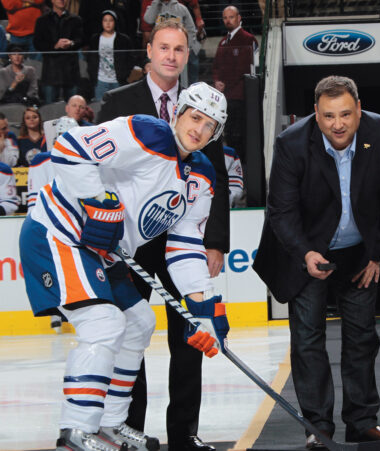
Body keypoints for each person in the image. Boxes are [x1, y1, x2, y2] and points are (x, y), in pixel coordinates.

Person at [20, 81, 229, 451]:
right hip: (59, 233)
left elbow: (183, 246)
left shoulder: (201, 176)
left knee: (139, 323)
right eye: (195, 117)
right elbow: (69, 148)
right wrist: (98, 200)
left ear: (216, 133)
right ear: (179, 113)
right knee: (104, 323)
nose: (199, 128)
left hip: (105, 252)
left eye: (210, 125)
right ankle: (77, 430)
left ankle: (110, 425)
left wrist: (205, 309)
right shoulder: (146, 132)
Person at [252, 75, 380, 449]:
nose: (337, 124)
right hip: (305, 250)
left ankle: (362, 421)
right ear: (315, 115)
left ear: (359, 110)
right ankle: (318, 428)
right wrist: (306, 254)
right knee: (307, 339)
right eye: (327, 116)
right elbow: (281, 211)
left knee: (362, 338)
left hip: (360, 254)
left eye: (345, 114)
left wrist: (378, 253)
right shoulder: (292, 142)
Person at [98, 21, 230, 451]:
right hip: (127, 244)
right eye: (164, 47)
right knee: (129, 333)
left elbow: (218, 182)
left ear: (187, 55)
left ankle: (184, 435)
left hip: (182, 240)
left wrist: (215, 242)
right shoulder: (120, 102)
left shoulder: (206, 107)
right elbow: (99, 169)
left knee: (189, 336)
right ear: (150, 50)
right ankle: (127, 429)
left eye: (179, 49)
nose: (171, 56)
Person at [26, 115, 78, 334]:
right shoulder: (42, 160)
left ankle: (71, 308)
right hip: (52, 222)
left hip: (71, 222)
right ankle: (58, 310)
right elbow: (34, 198)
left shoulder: (81, 159)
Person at [212, 5, 258, 163]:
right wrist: (217, 81)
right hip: (226, 97)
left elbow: (245, 68)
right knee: (229, 134)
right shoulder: (223, 41)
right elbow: (216, 65)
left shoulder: (248, 39)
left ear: (239, 18)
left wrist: (225, 83)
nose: (227, 20)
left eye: (231, 17)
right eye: (225, 17)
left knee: (239, 134)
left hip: (240, 96)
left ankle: (241, 167)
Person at [33, 0, 83, 104]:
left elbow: (81, 39)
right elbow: (37, 43)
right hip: (51, 71)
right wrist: (54, 46)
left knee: (74, 106)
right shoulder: (42, 20)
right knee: (50, 108)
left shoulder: (75, 19)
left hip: (71, 71)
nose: (62, 0)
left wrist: (71, 43)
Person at [143, 0, 200, 86]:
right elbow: (148, 19)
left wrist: (188, 46)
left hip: (179, 47)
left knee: (190, 69)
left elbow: (191, 29)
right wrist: (156, 2)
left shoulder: (181, 8)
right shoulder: (154, 7)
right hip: (161, 47)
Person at [86, 10, 134, 101]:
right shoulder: (95, 39)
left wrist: (125, 75)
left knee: (120, 108)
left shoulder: (123, 39)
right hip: (100, 81)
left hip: (118, 82)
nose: (108, 23)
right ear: (101, 22)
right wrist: (92, 76)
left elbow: (130, 59)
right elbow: (90, 59)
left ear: (115, 22)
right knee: (100, 109)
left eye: (110, 20)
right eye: (105, 20)